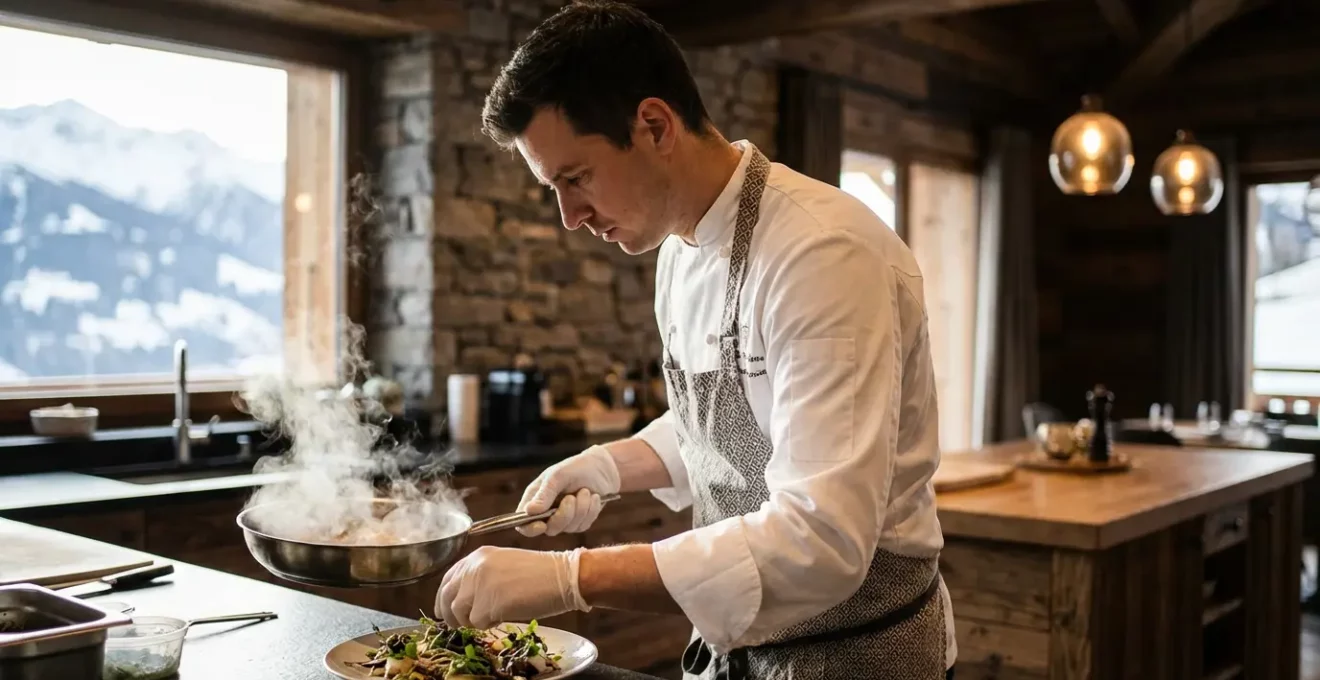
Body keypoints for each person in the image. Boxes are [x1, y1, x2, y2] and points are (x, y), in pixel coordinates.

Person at [433, 2, 956, 678]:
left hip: (856, 654)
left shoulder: (823, 255)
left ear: (653, 125)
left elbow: (820, 541)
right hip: (737, 657)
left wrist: (571, 578)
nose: (569, 217)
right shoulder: (678, 251)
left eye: (575, 177)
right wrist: (608, 467)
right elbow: (729, 428)